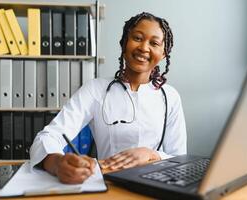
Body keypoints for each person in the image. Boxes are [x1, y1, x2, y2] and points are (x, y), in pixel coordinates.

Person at [30, 12, 187, 184]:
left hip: (154, 186)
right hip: (107, 184)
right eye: (137, 38)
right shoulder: (95, 90)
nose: (144, 47)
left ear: (163, 53)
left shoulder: (170, 97)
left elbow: (180, 160)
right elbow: (47, 137)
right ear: (124, 42)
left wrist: (152, 154)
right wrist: (58, 164)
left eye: (154, 43)